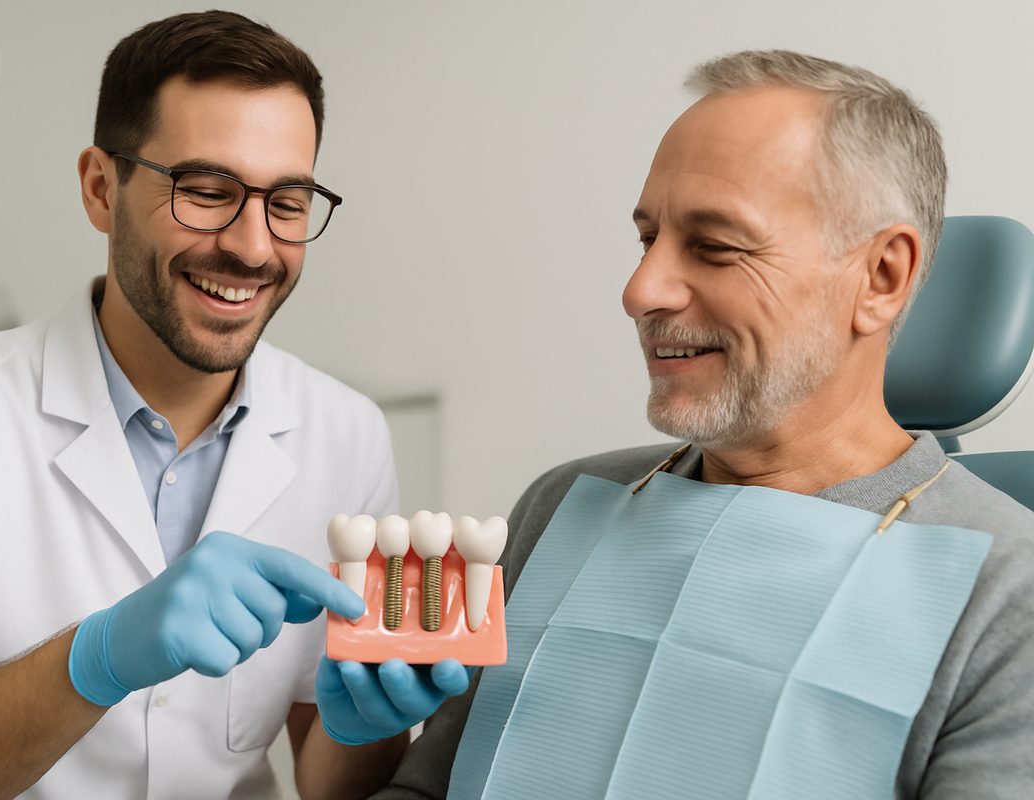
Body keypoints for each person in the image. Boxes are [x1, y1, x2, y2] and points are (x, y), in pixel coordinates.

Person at [0, 11, 465, 800]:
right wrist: (94, 659)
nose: (253, 246)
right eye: (206, 191)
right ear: (102, 189)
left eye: (289, 203)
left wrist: (362, 728)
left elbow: (332, 785)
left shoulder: (348, 435)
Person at [371, 51, 1034, 799]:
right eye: (646, 238)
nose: (641, 290)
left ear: (880, 277)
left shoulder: (1011, 594)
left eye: (715, 246)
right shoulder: (561, 504)